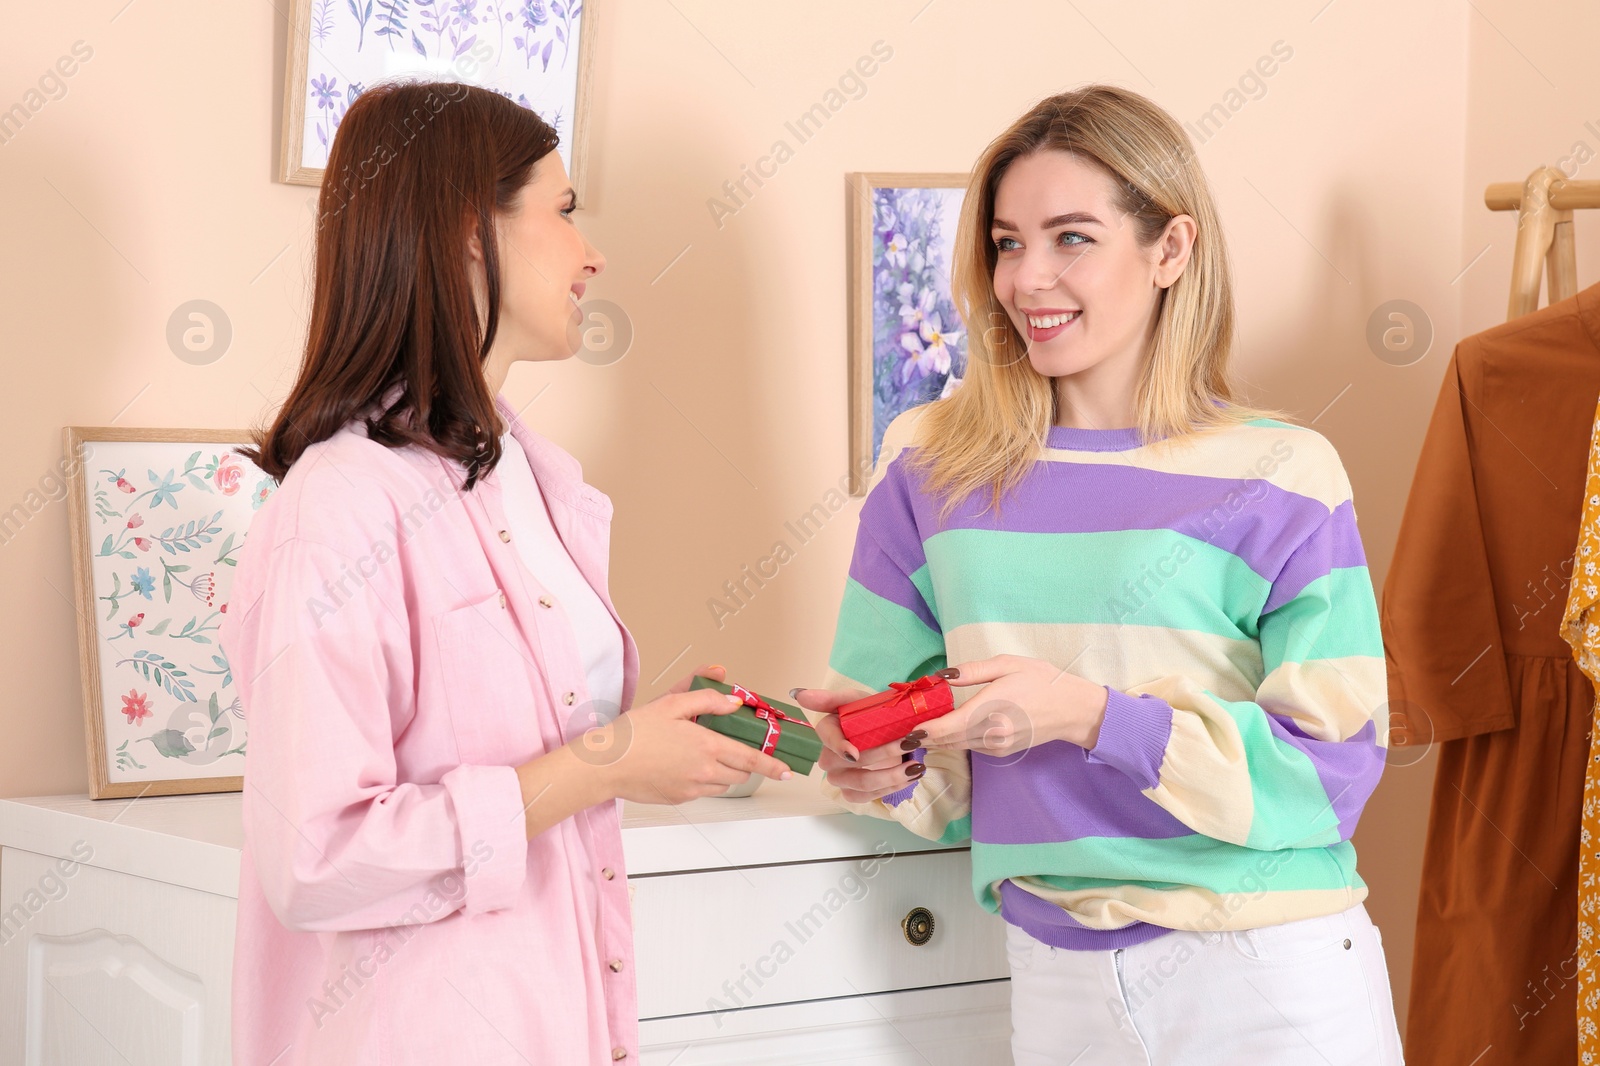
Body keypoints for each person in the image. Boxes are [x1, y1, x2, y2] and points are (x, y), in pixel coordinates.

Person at [793, 85, 1405, 1065]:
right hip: (1054, 970)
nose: (1027, 277)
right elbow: (910, 737)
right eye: (1004, 242)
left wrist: (1088, 714)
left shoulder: (1281, 472)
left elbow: (1330, 771)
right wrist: (876, 762)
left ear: (1171, 250)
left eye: (1070, 237)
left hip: (1266, 972)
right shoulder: (928, 465)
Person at [221, 79, 791, 1066]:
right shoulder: (342, 503)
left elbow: (531, 747)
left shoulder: (534, 481)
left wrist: (653, 740)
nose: (593, 252)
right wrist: (604, 760)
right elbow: (315, 858)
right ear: (468, 235)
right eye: (564, 212)